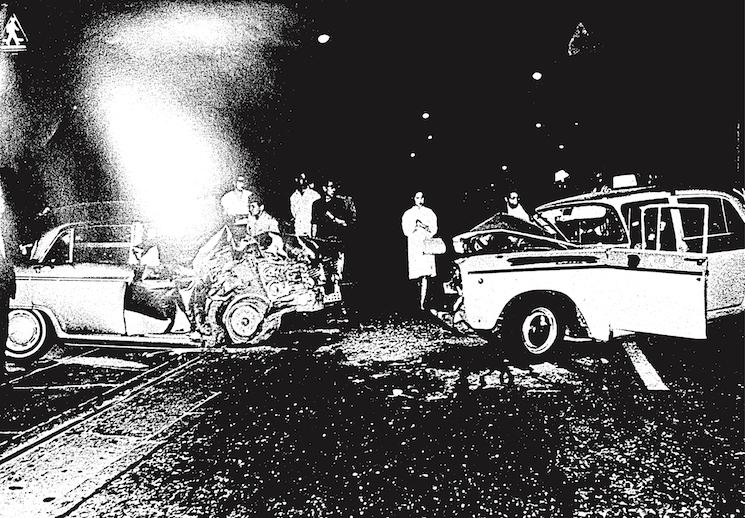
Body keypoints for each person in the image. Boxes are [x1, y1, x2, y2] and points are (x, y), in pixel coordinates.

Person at [401, 191, 438, 311]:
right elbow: (406, 230)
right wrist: (415, 226)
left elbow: (433, 228)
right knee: (417, 274)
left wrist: (424, 227)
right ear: (413, 199)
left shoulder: (429, 212)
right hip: (415, 245)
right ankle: (416, 304)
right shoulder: (408, 214)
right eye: (417, 198)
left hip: (426, 243)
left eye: (422, 198)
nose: (420, 200)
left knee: (426, 274)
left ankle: (425, 303)